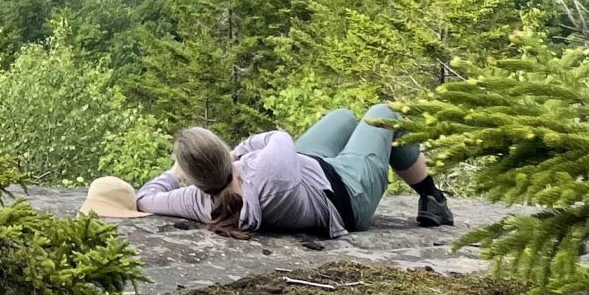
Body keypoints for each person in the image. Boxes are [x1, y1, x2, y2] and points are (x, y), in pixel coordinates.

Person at [131, 106, 454, 236]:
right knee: (384, 114)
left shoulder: (199, 201)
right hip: (346, 193)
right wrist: (240, 151)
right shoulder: (269, 166)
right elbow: (277, 137)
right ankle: (432, 198)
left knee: (342, 116)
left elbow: (145, 198)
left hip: (309, 170)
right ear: (222, 151)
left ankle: (429, 195)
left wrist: (174, 175)